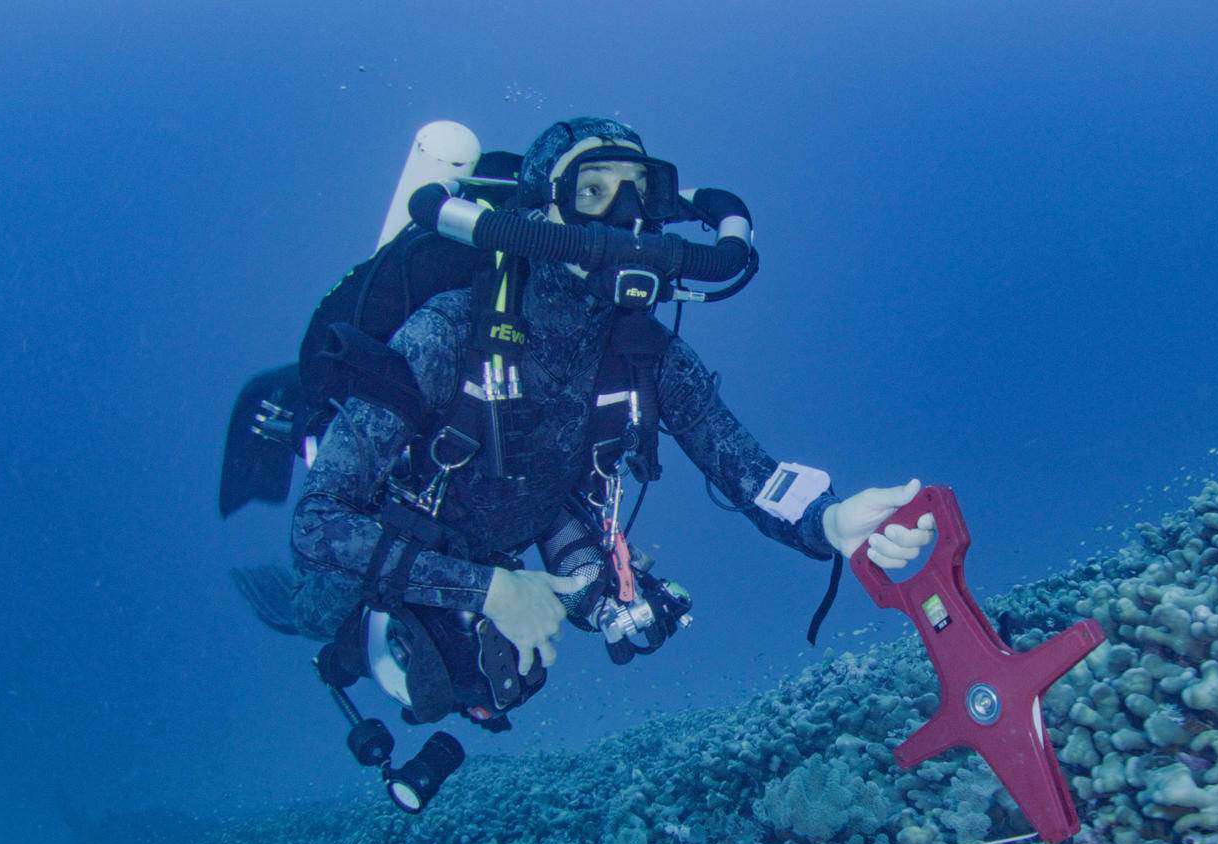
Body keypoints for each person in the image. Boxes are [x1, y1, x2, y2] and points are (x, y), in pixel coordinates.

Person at [287, 116, 936, 694]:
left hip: (523, 531)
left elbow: (752, 477)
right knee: (358, 636)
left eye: (640, 194)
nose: (623, 217)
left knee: (496, 683)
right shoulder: (450, 332)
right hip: (398, 536)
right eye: (593, 191)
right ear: (541, 214)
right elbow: (318, 527)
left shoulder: (646, 354)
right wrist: (488, 591)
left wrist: (830, 521)